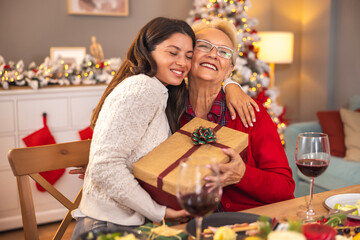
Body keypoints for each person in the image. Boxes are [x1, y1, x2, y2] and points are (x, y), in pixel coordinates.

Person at [71, 17, 257, 238]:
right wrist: (159, 212)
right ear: (148, 51)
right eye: (173, 52)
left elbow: (211, 71)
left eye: (188, 55)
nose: (183, 62)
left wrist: (231, 84)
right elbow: (105, 166)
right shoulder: (143, 88)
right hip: (110, 227)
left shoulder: (165, 92)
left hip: (131, 224)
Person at [178, 19, 295, 211]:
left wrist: (242, 175)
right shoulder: (170, 109)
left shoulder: (250, 113)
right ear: (189, 57)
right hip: (194, 219)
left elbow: (285, 186)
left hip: (250, 220)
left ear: (229, 71)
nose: (213, 54)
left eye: (224, 52)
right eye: (204, 46)